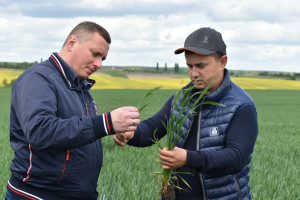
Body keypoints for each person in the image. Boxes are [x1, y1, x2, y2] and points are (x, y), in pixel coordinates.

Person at [114, 27, 259, 199]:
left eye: (201, 66)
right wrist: (131, 133)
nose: (194, 74)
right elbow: (152, 128)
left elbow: (235, 158)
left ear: (223, 62)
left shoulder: (241, 106)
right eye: (189, 66)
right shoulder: (180, 99)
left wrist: (188, 158)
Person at [5, 21, 140, 200]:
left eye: (103, 58)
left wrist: (113, 129)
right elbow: (40, 131)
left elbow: (78, 132)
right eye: (95, 54)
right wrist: (106, 123)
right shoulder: (38, 79)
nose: (99, 64)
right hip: (38, 195)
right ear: (72, 43)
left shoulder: (78, 86)